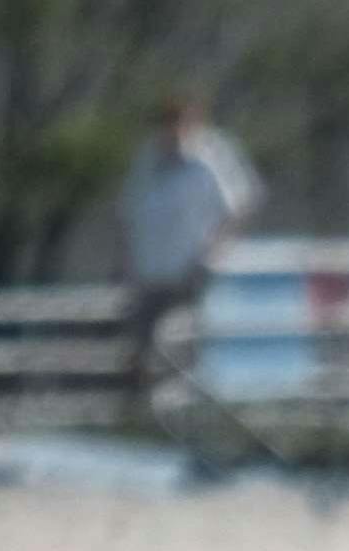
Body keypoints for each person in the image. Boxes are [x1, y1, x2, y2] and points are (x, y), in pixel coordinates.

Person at [113, 95, 260, 422]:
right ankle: (143, 419)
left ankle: (200, 418)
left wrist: (213, 251)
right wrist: (126, 263)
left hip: (194, 270)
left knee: (193, 346)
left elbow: (239, 205)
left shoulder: (210, 156)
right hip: (151, 271)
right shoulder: (147, 160)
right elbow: (128, 213)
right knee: (141, 346)